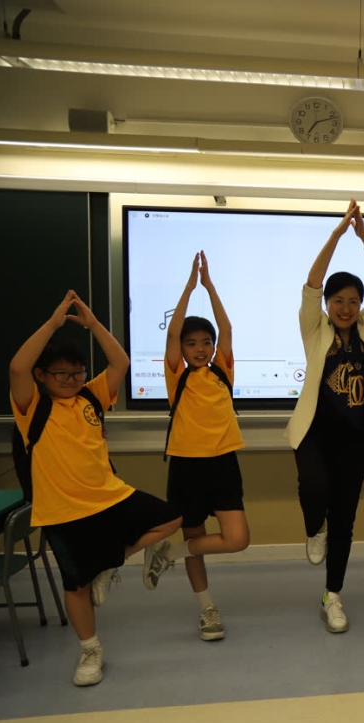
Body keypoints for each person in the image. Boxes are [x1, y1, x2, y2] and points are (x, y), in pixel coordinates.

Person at [10, 291, 182, 686]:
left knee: (172, 518)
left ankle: (110, 561)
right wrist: (53, 323)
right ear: (42, 376)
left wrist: (93, 325)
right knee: (77, 585)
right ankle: (90, 651)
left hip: (110, 496)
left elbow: (121, 362)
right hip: (62, 511)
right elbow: (17, 366)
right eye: (62, 374)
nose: (72, 380)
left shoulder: (92, 394)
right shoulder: (32, 406)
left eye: (78, 373)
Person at [285, 199, 364, 634]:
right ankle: (315, 529)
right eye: (338, 301)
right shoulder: (315, 328)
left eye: (352, 301)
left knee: (345, 520)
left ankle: (333, 596)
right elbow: (311, 285)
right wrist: (337, 234)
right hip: (314, 432)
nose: (345, 308)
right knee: (313, 489)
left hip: (355, 438)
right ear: (328, 304)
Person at [157, 251, 251, 641]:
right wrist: (188, 287)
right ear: (181, 349)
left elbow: (226, 327)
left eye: (205, 342)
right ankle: (207, 609)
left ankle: (171, 554)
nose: (199, 348)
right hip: (186, 465)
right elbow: (171, 333)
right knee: (192, 530)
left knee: (238, 539)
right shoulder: (176, 375)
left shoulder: (222, 371)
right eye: (191, 343)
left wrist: (209, 287)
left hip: (223, 464)